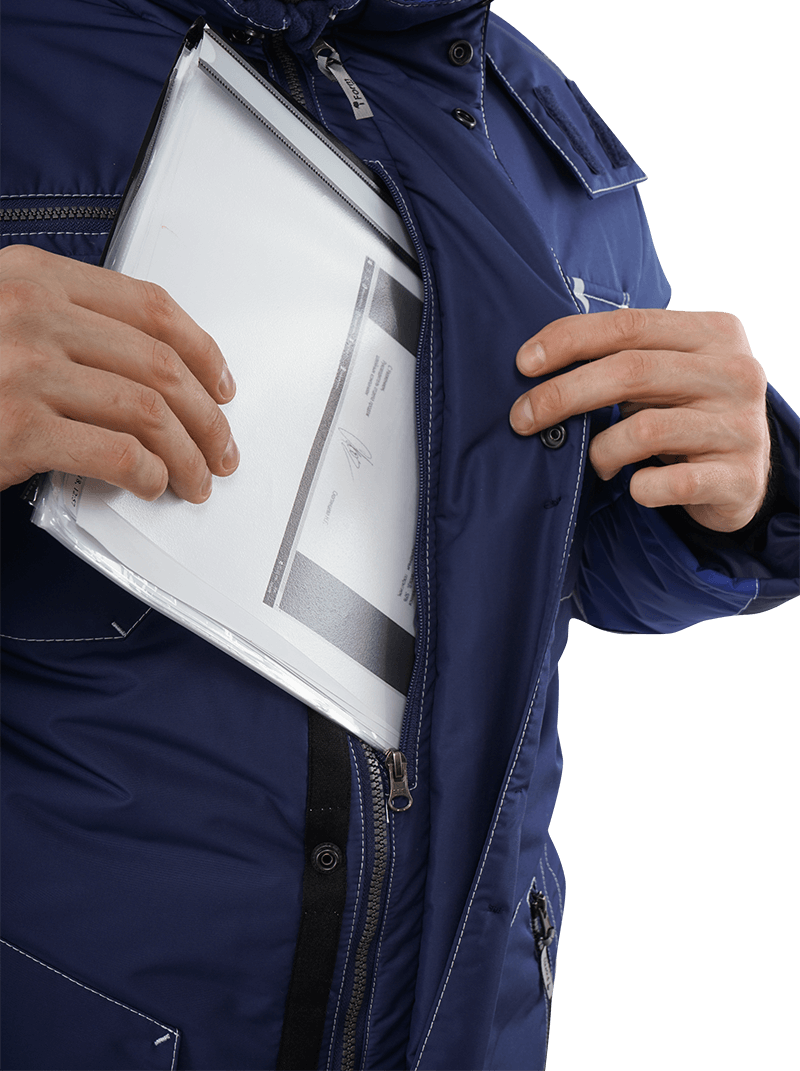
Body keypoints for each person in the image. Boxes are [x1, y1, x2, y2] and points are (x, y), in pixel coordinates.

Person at [1, 2, 798, 1068]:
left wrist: (748, 484)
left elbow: (568, 565)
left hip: (470, 1023)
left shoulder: (549, 145)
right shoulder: (31, 55)